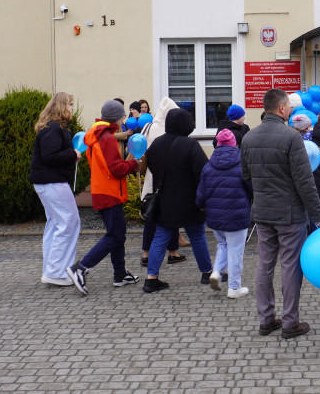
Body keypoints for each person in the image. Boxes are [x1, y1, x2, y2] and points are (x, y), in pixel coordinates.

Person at [240, 88, 320, 339]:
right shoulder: (291, 137)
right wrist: (318, 213)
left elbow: (246, 176)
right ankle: (290, 322)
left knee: (264, 265)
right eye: (288, 106)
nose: (290, 109)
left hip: (263, 212)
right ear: (281, 108)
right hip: (290, 214)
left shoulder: (249, 138)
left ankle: (266, 319)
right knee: (290, 266)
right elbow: (304, 180)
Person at [66, 100, 139, 296]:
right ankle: (80, 268)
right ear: (116, 117)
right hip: (109, 192)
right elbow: (115, 169)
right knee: (115, 235)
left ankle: (120, 274)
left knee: (118, 234)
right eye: (123, 116)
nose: (124, 119)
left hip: (103, 190)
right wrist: (133, 165)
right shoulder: (106, 138)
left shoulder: (97, 135)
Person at [142, 108, 211, 293]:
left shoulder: (156, 144)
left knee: (160, 238)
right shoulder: (191, 145)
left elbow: (153, 169)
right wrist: (203, 200)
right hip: (190, 201)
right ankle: (207, 273)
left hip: (165, 200)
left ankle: (151, 279)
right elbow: (203, 174)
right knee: (197, 236)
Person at [29, 92, 82, 286]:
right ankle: (57, 272)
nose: (72, 108)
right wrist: (72, 153)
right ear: (61, 106)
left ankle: (52, 270)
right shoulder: (53, 129)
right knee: (69, 223)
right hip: (52, 182)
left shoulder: (50, 127)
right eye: (70, 104)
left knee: (55, 224)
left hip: (47, 182)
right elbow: (50, 156)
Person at [196, 129, 252, 298]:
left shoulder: (208, 166)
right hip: (237, 215)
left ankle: (216, 273)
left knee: (223, 245)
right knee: (236, 251)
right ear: (234, 144)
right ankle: (234, 288)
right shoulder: (241, 163)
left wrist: (199, 205)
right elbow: (251, 188)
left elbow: (201, 193)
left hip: (215, 217)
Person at [140, 97, 187, 265]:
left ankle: (146, 253)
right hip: (170, 179)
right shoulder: (175, 130)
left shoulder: (148, 127)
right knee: (171, 215)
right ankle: (173, 251)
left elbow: (141, 150)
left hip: (152, 178)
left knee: (151, 216)